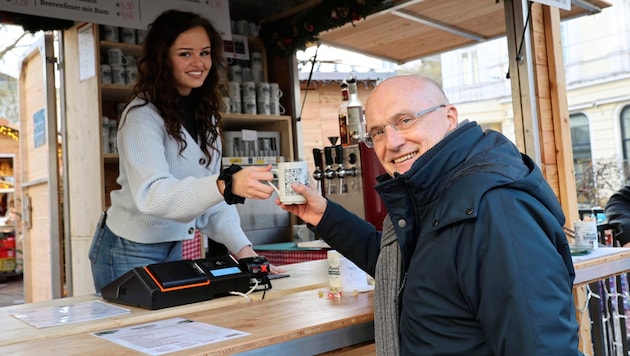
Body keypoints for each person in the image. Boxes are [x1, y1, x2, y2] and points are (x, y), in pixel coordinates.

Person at [278, 75, 579, 355]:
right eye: (378, 132)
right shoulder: (437, 192)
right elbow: (409, 269)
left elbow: (542, 347)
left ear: (449, 117)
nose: (392, 142)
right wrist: (324, 216)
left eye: (405, 120)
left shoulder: (494, 205)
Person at [89, 10, 280, 293]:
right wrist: (225, 184)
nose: (198, 63)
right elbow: (152, 196)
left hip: (173, 246)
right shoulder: (142, 116)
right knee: (136, 334)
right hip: (128, 248)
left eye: (204, 53)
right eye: (184, 54)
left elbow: (214, 202)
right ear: (162, 57)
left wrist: (244, 249)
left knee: (169, 331)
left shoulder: (208, 117)